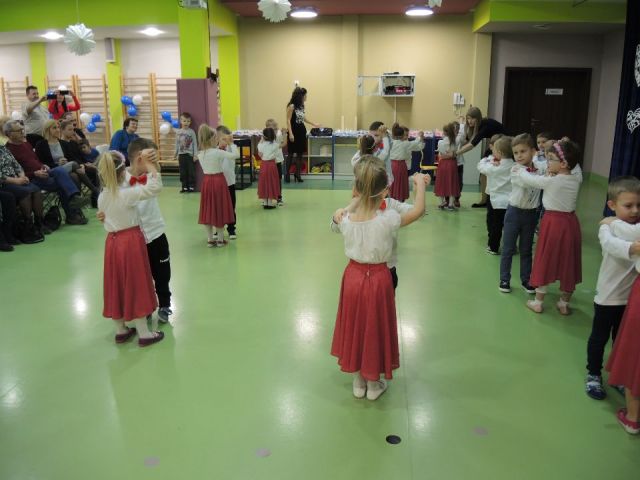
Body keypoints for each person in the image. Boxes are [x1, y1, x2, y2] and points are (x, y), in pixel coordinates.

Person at [330, 156, 426, 401]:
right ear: (385, 192)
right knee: (374, 326)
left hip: (352, 278)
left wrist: (348, 206)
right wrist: (420, 186)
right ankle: (374, 384)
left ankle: (358, 381)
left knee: (356, 325)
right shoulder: (388, 219)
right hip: (379, 278)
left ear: (356, 190)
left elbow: (344, 214)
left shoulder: (345, 220)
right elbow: (418, 211)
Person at [97, 151, 164, 347]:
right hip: (130, 242)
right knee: (137, 282)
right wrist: (150, 165)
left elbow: (107, 217)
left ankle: (121, 330)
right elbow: (154, 187)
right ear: (121, 173)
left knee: (116, 283)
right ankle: (144, 333)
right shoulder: (126, 195)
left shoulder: (102, 196)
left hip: (112, 242)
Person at [582, 177, 640, 401]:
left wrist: (611, 223)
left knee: (621, 342)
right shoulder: (608, 230)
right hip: (608, 297)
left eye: (639, 205)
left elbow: (628, 233)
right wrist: (632, 247)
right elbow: (610, 244)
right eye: (628, 205)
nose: (635, 211)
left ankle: (617, 376)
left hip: (631, 301)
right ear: (612, 205)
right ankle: (593, 374)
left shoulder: (613, 226)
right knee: (599, 338)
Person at [514, 139, 583, 315]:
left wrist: (519, 170)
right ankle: (564, 303)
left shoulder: (553, 181)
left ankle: (538, 302)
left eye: (551, 159)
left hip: (553, 223)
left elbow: (532, 180)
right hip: (571, 223)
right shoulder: (575, 179)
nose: (547, 162)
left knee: (545, 258)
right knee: (568, 261)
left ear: (563, 164)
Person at [4, 120, 88, 225]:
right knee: (67, 179)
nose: (22, 132)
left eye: (22, 129)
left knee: (60, 171)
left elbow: (36, 160)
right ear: (9, 134)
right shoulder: (8, 150)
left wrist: (43, 165)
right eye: (19, 130)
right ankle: (72, 210)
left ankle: (74, 201)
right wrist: (34, 173)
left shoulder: (26, 144)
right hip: (32, 179)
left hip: (44, 172)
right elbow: (15, 172)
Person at [499, 134, 541, 293]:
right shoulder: (515, 169)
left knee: (526, 249)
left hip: (531, 215)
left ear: (533, 151)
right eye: (516, 153)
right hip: (514, 213)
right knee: (508, 248)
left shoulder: (540, 167)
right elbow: (529, 182)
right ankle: (504, 279)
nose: (519, 156)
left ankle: (526, 280)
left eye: (523, 151)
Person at [35, 119, 100, 206]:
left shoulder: (63, 143)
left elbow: (72, 158)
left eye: (58, 127)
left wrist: (81, 165)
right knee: (73, 165)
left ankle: (76, 200)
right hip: (53, 171)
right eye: (54, 128)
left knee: (74, 175)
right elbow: (40, 162)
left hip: (67, 169)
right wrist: (57, 163)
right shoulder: (40, 144)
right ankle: (95, 190)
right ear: (47, 130)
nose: (58, 130)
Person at [457, 107, 506, 208]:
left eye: (472, 118)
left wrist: (456, 153)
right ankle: (484, 200)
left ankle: (493, 200)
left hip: (505, 144)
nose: (469, 121)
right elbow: (468, 140)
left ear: (478, 118)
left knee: (497, 172)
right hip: (495, 145)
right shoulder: (475, 126)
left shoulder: (485, 126)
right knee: (483, 173)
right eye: (468, 118)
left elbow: (472, 144)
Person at [197, 125, 236, 247]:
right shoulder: (217, 152)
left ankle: (210, 239)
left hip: (207, 182)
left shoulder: (200, 154)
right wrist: (232, 144)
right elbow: (235, 156)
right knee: (219, 208)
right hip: (219, 181)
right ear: (212, 139)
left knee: (208, 209)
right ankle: (220, 239)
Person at [0, 145, 47, 242]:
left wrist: (22, 176)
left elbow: (17, 165)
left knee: (36, 190)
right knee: (25, 193)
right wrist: (16, 181)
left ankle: (39, 223)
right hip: (5, 183)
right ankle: (27, 226)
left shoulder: (3, 148)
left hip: (17, 179)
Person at [477, 135, 513, 255]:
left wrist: (486, 160)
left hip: (496, 201)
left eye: (494, 150)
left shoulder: (494, 167)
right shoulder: (513, 165)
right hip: (510, 201)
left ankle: (493, 247)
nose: (492, 152)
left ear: (500, 153)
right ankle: (511, 247)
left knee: (495, 225)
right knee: (509, 226)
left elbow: (481, 167)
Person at [285, 87, 319, 183]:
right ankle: (287, 174)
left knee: (300, 154)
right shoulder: (291, 106)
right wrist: (290, 133)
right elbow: (288, 120)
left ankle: (297, 174)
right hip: (293, 131)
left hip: (301, 131)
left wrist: (313, 124)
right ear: (300, 96)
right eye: (305, 95)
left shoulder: (302, 106)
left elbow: (303, 118)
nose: (306, 97)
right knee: (291, 154)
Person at [389, 123, 424, 201]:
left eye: (407, 135)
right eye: (405, 135)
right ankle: (398, 199)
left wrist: (421, 139)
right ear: (402, 135)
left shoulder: (391, 142)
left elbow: (418, 146)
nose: (406, 137)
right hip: (400, 166)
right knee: (400, 184)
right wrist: (419, 136)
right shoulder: (405, 144)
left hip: (393, 165)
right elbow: (415, 143)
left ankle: (394, 199)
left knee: (394, 183)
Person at [217, 125, 239, 240]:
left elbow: (236, 156)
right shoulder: (214, 150)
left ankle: (231, 228)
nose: (225, 141)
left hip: (229, 183)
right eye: (223, 139)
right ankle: (219, 228)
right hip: (218, 184)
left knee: (231, 206)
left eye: (227, 139)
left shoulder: (231, 148)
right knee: (218, 206)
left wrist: (231, 144)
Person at [434, 122, 461, 211]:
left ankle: (441, 203)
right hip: (452, 164)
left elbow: (440, 154)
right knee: (452, 183)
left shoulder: (440, 142)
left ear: (444, 132)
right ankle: (450, 204)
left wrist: (444, 155)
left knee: (441, 182)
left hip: (442, 164)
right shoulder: (455, 141)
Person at [257, 127, 283, 209]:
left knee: (264, 182)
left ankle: (265, 202)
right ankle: (270, 202)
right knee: (271, 182)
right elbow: (282, 144)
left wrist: (262, 139)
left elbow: (260, 147)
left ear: (264, 136)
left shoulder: (260, 145)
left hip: (263, 165)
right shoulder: (275, 145)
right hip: (271, 165)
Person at [175, 112, 198, 193]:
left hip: (189, 155)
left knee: (191, 171)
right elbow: (177, 143)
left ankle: (191, 186)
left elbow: (195, 143)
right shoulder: (178, 132)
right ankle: (184, 186)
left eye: (188, 121)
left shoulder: (191, 132)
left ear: (190, 122)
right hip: (181, 155)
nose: (186, 123)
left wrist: (195, 155)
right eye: (184, 121)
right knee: (183, 172)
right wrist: (176, 154)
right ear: (181, 121)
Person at [265, 118, 287, 206]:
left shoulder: (278, 134)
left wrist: (284, 133)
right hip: (269, 162)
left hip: (277, 161)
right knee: (269, 180)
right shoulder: (266, 137)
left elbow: (283, 143)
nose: (275, 128)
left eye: (275, 126)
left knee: (278, 179)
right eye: (273, 126)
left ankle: (279, 197)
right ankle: (268, 198)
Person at [369, 121, 394, 186]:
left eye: (376, 135)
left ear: (383, 135)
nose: (374, 138)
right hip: (373, 178)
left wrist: (385, 133)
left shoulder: (388, 142)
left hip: (386, 178)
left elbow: (390, 141)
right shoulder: (370, 145)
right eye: (371, 136)